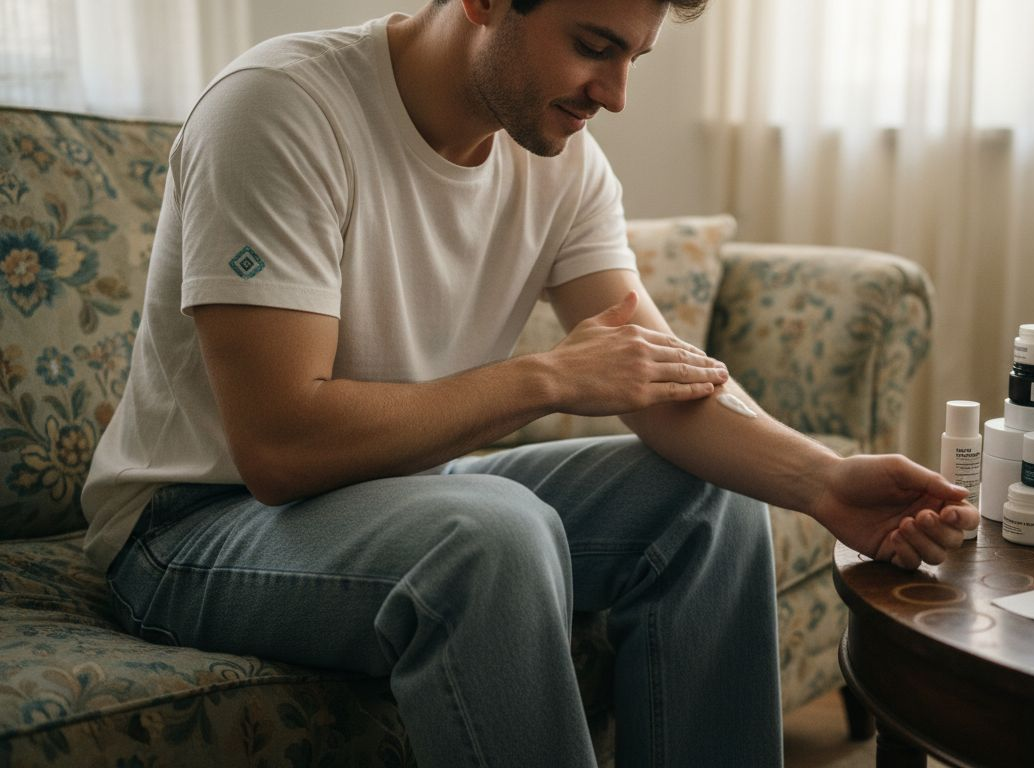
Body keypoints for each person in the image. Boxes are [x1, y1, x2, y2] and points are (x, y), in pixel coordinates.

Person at [81, 0, 979, 765]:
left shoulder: (566, 167)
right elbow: (279, 447)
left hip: (393, 500)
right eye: (594, 45)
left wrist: (825, 482)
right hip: (190, 526)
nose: (617, 94)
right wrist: (545, 377)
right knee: (488, 536)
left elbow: (663, 378)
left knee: (707, 500)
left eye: (634, 57)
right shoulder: (279, 110)